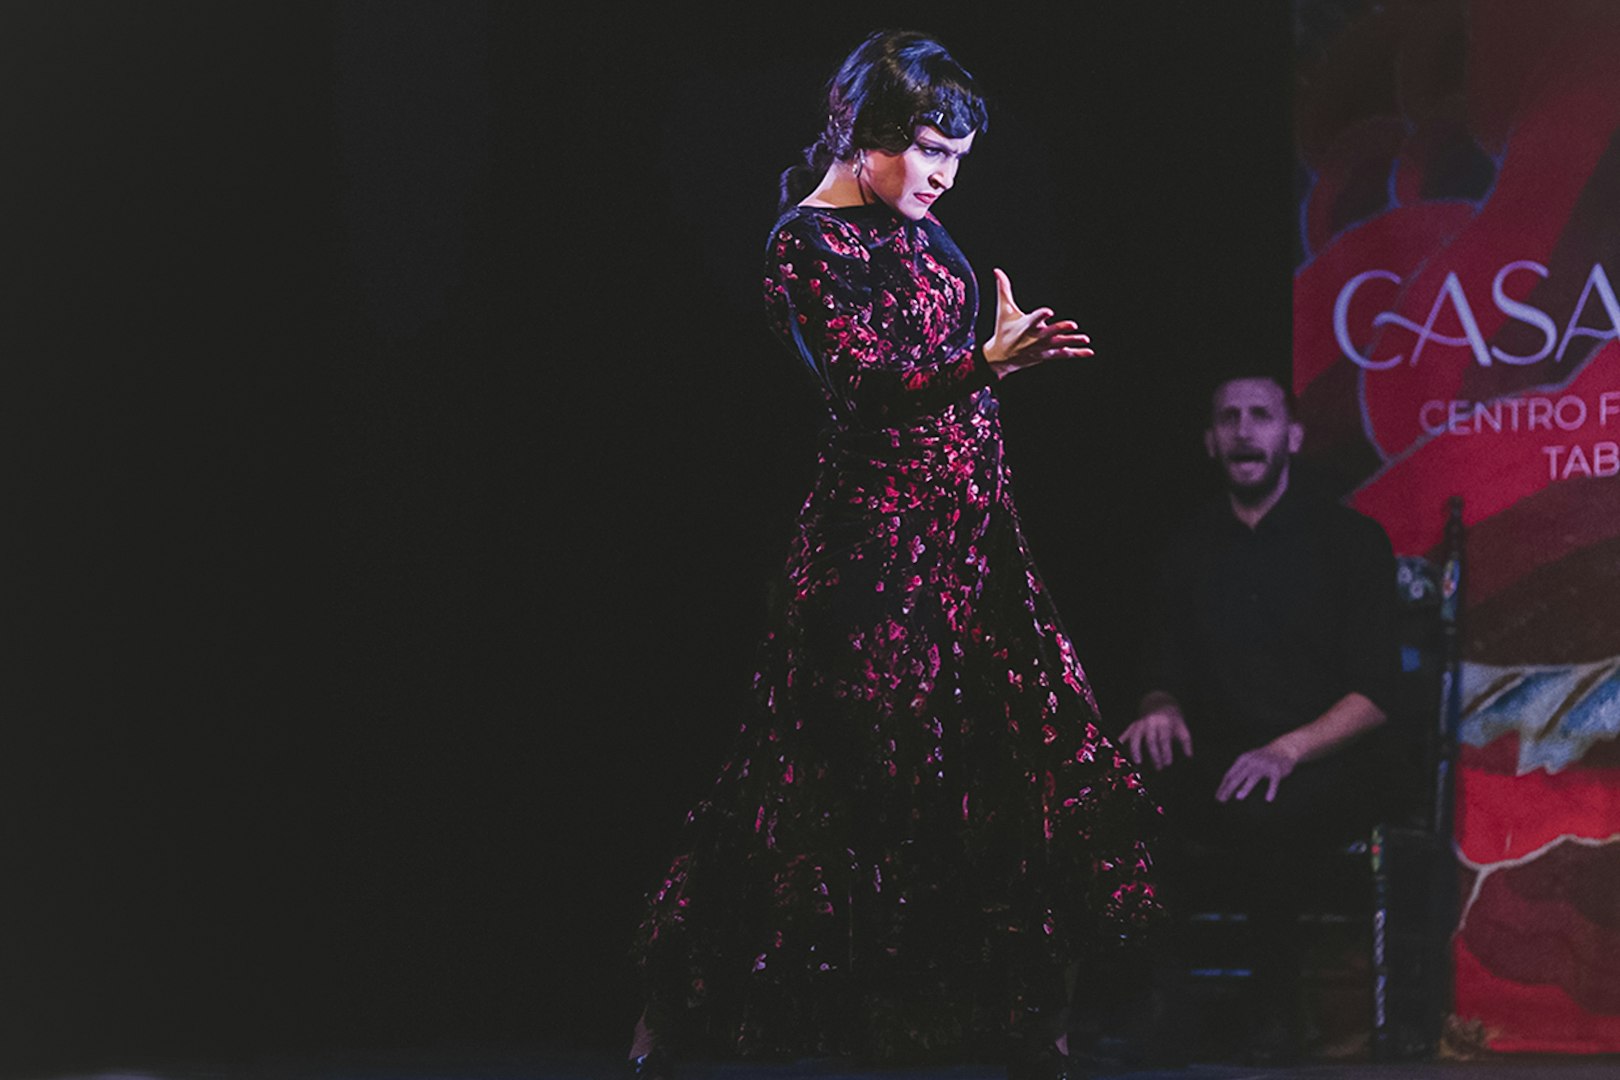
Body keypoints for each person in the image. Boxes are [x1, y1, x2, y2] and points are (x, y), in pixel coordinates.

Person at [627, 29, 1160, 1080]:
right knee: (834, 786)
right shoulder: (806, 243)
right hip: (876, 552)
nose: (944, 176)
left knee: (1015, 767)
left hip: (972, 545)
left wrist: (999, 359)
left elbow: (949, 370)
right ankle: (677, 1016)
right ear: (864, 133)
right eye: (929, 150)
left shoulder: (920, 230)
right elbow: (869, 389)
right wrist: (985, 363)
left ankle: (1024, 1030)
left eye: (958, 157)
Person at [1118, 374, 1410, 1062]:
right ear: (1210, 441)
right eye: (1229, 418)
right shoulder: (1189, 547)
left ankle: (1272, 1013)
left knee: (1268, 806)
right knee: (1125, 795)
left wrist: (1287, 750)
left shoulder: (1349, 540)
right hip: (1226, 754)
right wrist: (1159, 708)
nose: (1244, 430)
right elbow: (1161, 672)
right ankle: (1163, 1010)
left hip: (1327, 756)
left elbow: (1375, 694)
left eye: (1261, 416)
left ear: (1292, 437)